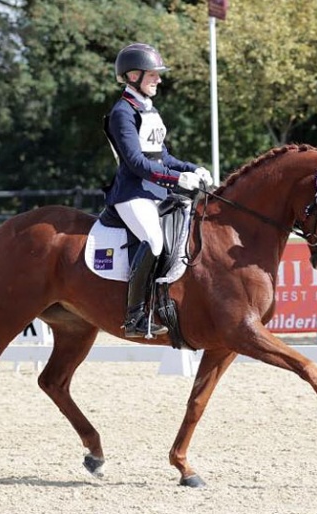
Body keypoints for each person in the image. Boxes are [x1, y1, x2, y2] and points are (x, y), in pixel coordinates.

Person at [103, 42, 213, 338]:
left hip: (156, 191)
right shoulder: (122, 113)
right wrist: (176, 180)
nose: (159, 80)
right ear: (133, 75)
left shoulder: (148, 110)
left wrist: (191, 169)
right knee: (153, 240)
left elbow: (163, 157)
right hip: (132, 193)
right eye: (153, 75)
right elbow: (137, 163)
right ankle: (135, 316)